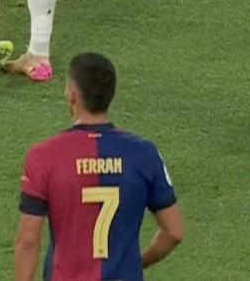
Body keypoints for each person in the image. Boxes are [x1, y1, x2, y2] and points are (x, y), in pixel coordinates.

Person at [14, 53, 184, 281]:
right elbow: (173, 232)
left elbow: (28, 240)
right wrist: (136, 263)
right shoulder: (144, 154)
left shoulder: (44, 156)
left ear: (72, 96)